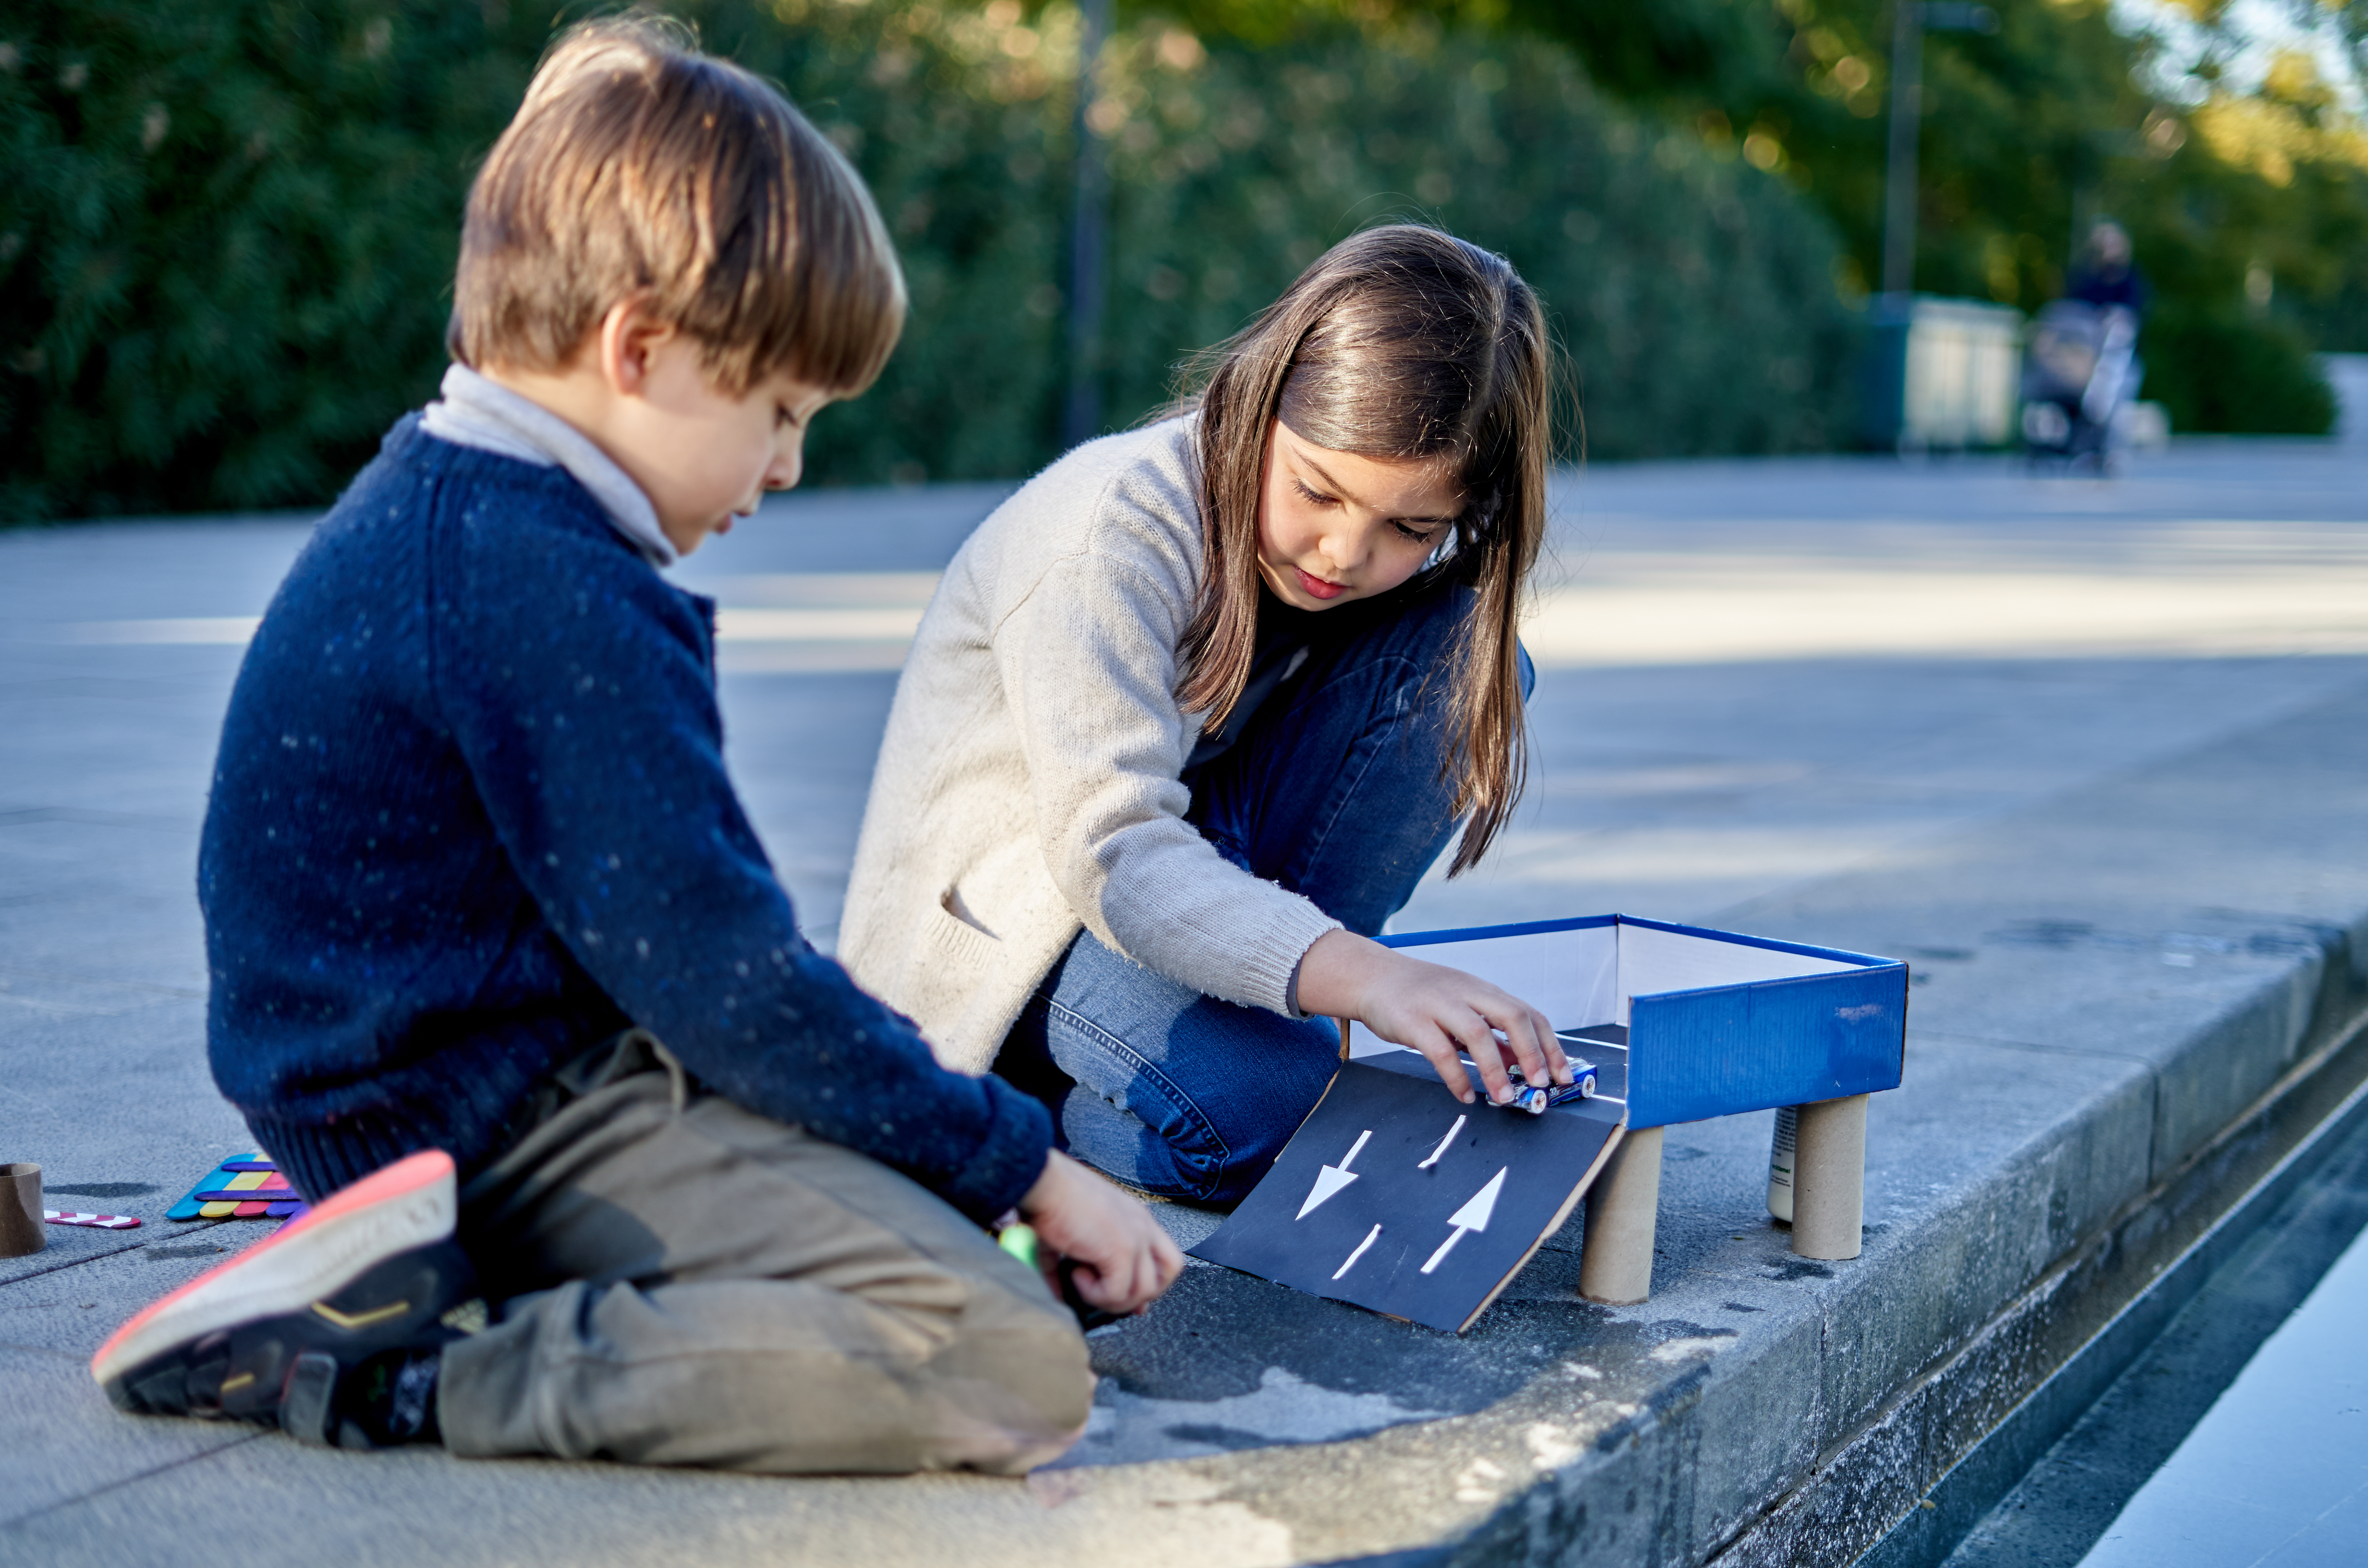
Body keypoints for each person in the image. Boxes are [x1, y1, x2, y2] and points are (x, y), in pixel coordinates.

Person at [89, 16, 1179, 1474]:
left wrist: (933, 1162)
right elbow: (734, 986)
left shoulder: (456, 505)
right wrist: (1025, 1162)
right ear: (640, 347)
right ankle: (418, 1373)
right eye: (779, 411)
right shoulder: (549, 585)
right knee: (1000, 1362)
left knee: (924, 1228)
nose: (787, 467)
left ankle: (470, 1304)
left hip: (427, 1093)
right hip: (489, 1127)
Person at [840, 225, 1571, 1208]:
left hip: (1190, 875)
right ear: (1262, 396)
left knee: (1471, 663)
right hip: (1034, 930)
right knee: (1263, 1118)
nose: (1343, 552)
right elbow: (1113, 856)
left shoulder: (1338, 553)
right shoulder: (1109, 535)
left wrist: (1357, 983)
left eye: (1411, 528)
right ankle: (1044, 1109)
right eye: (1318, 488)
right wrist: (1375, 982)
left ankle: (1258, 1031)